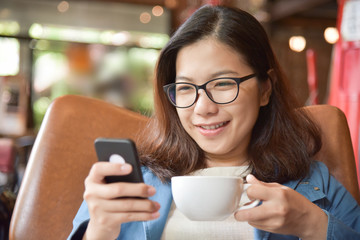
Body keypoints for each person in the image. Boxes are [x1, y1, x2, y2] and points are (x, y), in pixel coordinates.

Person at [68, 5, 360, 240]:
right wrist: (98, 233)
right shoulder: (132, 184)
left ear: (265, 89)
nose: (202, 108)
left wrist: (314, 226)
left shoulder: (313, 184)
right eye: (185, 88)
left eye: (222, 84)